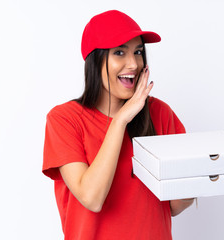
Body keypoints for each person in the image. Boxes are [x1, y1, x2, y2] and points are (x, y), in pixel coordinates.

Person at [42, 10, 194, 240]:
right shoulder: (65, 119)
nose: (133, 63)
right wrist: (121, 120)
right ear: (96, 60)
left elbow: (174, 205)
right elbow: (92, 198)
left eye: (138, 52)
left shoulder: (160, 113)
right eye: (120, 52)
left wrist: (196, 177)